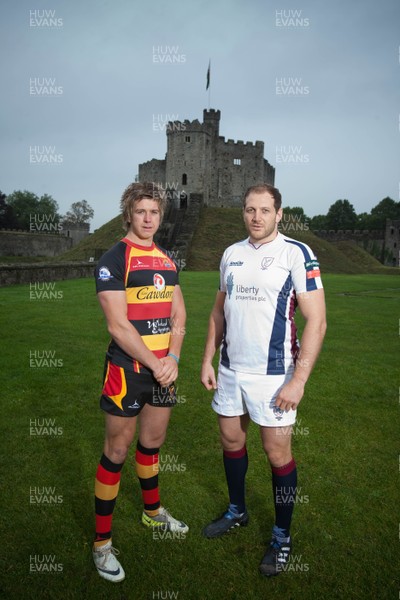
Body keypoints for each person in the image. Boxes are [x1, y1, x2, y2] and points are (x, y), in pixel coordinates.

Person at [200, 183, 326, 577]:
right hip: (231, 370)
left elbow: (317, 321)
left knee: (278, 455)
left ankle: (281, 535)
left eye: (265, 210)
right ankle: (237, 511)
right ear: (243, 212)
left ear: (279, 213)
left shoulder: (296, 254)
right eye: (250, 210)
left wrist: (298, 380)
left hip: (275, 376)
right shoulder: (230, 254)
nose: (256, 217)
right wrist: (208, 359)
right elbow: (219, 312)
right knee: (232, 441)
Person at [92, 182, 188, 583]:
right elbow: (118, 325)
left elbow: (179, 315)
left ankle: (152, 515)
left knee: (151, 446)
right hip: (127, 373)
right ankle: (101, 545)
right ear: (128, 214)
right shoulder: (113, 258)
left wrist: (174, 358)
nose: (148, 219)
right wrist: (155, 362)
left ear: (160, 217)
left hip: (162, 372)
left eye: (154, 213)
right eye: (141, 212)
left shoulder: (167, 259)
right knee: (116, 450)